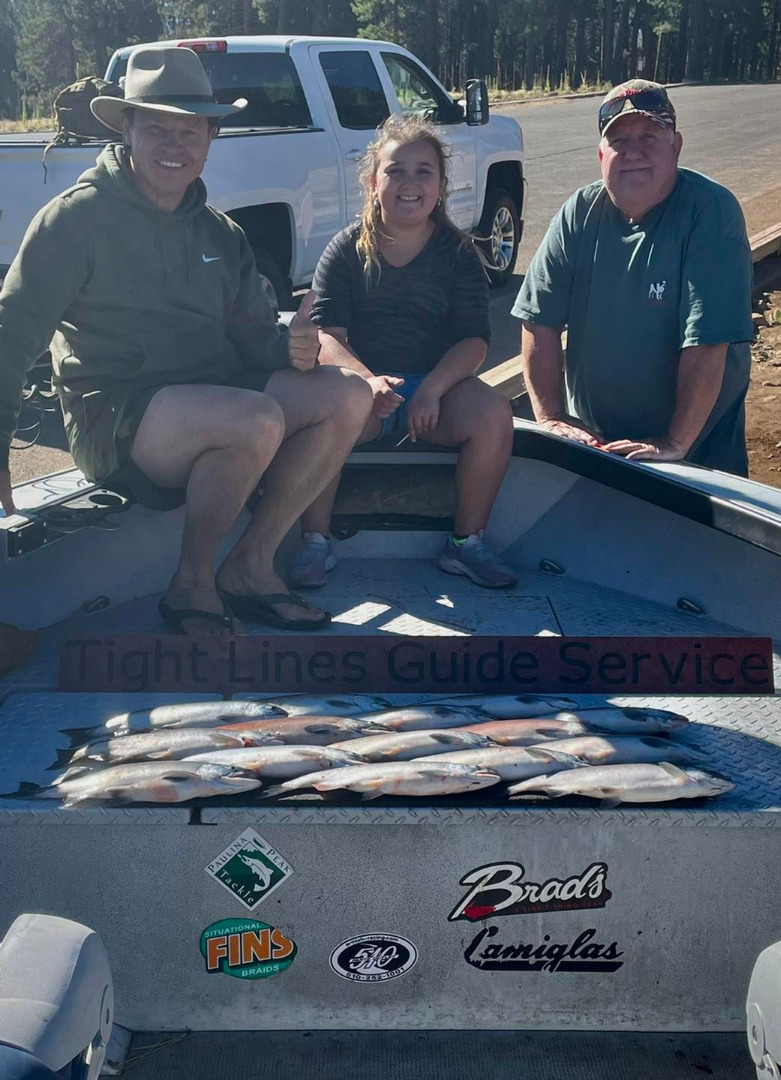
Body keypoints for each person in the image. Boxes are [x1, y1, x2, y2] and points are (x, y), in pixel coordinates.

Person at [0, 46, 372, 634]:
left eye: (191, 130)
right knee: (252, 417)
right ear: (127, 129)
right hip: (118, 419)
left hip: (213, 399)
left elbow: (256, 342)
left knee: (347, 394)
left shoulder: (220, 234)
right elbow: (11, 332)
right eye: (158, 128)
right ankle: (191, 584)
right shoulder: (75, 221)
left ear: (210, 137)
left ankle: (250, 564)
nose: (176, 145)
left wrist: (292, 349)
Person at [288, 113, 517, 590]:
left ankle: (465, 545)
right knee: (332, 404)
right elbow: (327, 332)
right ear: (374, 182)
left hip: (435, 394)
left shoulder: (458, 254)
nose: (409, 183)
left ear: (440, 186)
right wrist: (365, 382)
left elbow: (474, 340)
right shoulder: (346, 249)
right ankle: (315, 539)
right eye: (395, 170)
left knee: (494, 414)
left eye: (423, 171)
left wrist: (432, 388)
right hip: (364, 391)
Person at [513, 80, 754, 476]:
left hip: (696, 460)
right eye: (619, 140)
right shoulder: (579, 212)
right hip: (599, 448)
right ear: (601, 153)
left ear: (675, 146)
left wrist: (674, 442)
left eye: (649, 135)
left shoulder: (709, 211)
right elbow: (538, 319)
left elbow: (708, 341)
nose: (634, 152)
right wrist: (552, 416)